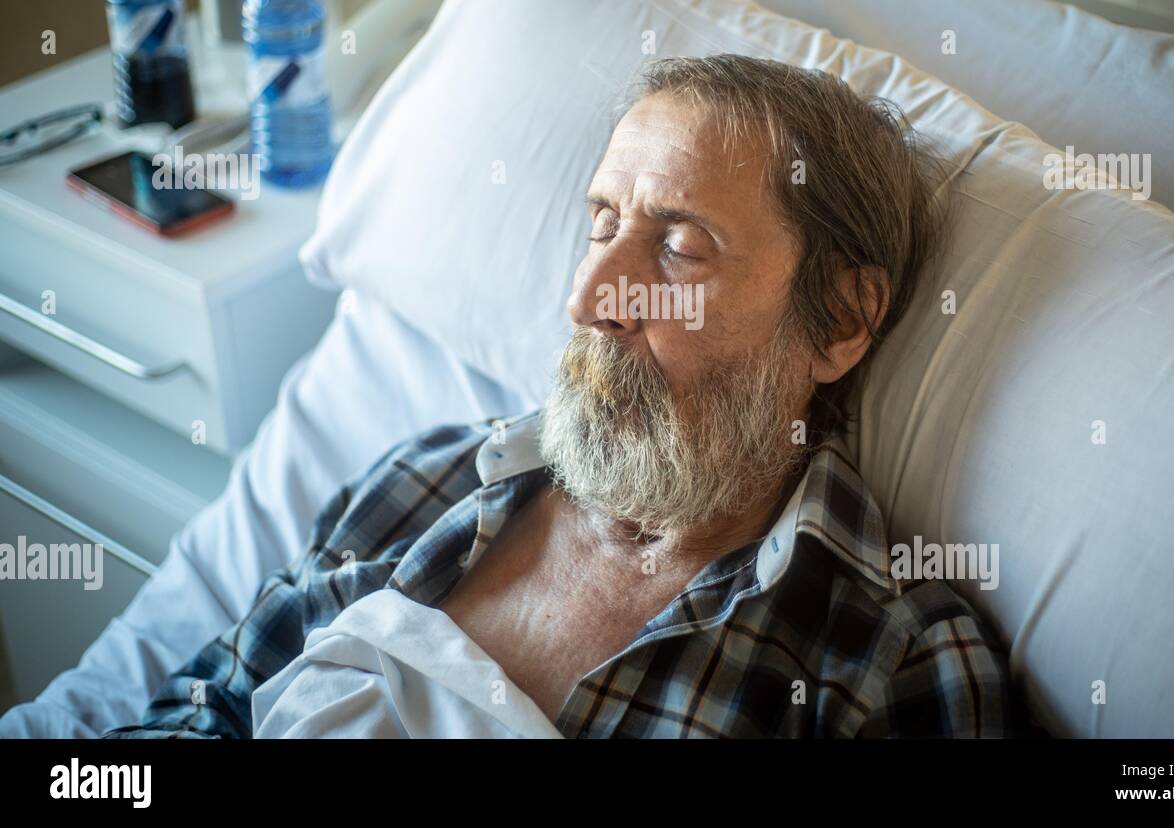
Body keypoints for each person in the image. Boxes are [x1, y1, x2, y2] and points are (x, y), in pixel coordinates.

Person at [103, 54, 1020, 738]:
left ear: (840, 322)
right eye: (603, 225)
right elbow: (200, 713)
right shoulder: (429, 479)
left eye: (679, 247)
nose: (589, 298)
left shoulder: (888, 665)